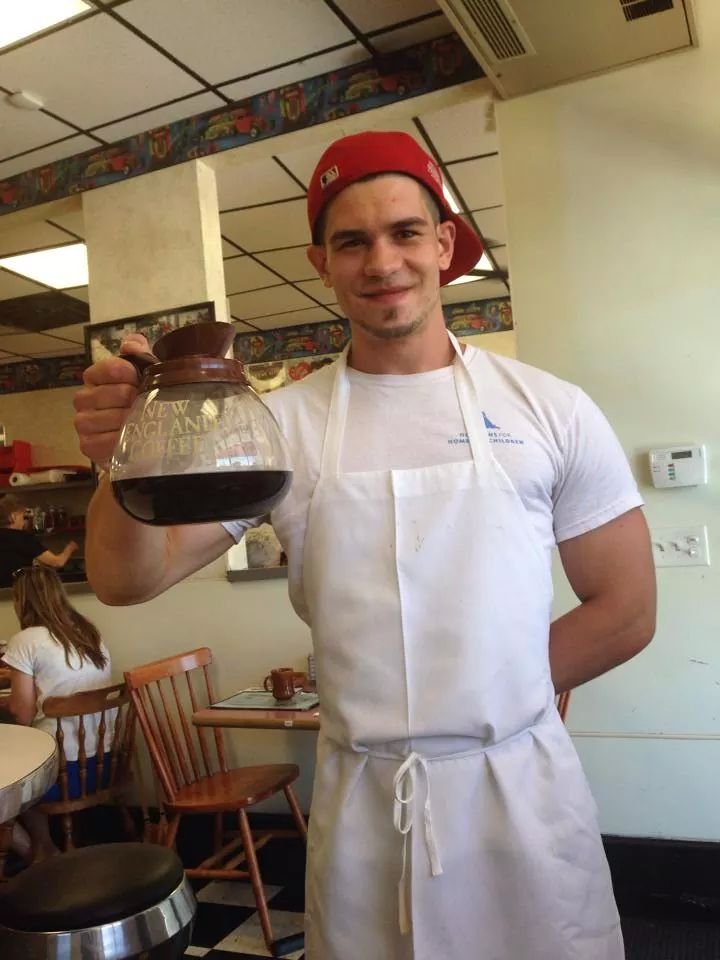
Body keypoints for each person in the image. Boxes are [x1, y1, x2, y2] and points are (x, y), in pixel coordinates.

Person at [73, 130, 656, 959]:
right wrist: (118, 460)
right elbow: (127, 580)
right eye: (352, 242)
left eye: (405, 232)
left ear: (444, 244)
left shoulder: (549, 408)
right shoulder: (281, 426)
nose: (382, 262)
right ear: (322, 263)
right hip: (364, 804)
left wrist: (490, 697)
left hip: (520, 791)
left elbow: (626, 608)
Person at [3, 565, 112, 862]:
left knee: (13, 773)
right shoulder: (87, 631)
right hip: (103, 764)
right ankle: (43, 849)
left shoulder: (25, 640)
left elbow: (22, 716)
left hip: (63, 775)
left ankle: (41, 851)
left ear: (21, 601)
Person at [0, 494, 78, 587]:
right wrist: (70, 548)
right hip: (18, 590)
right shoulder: (21, 537)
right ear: (13, 516)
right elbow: (57, 562)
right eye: (23, 517)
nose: (24, 522)